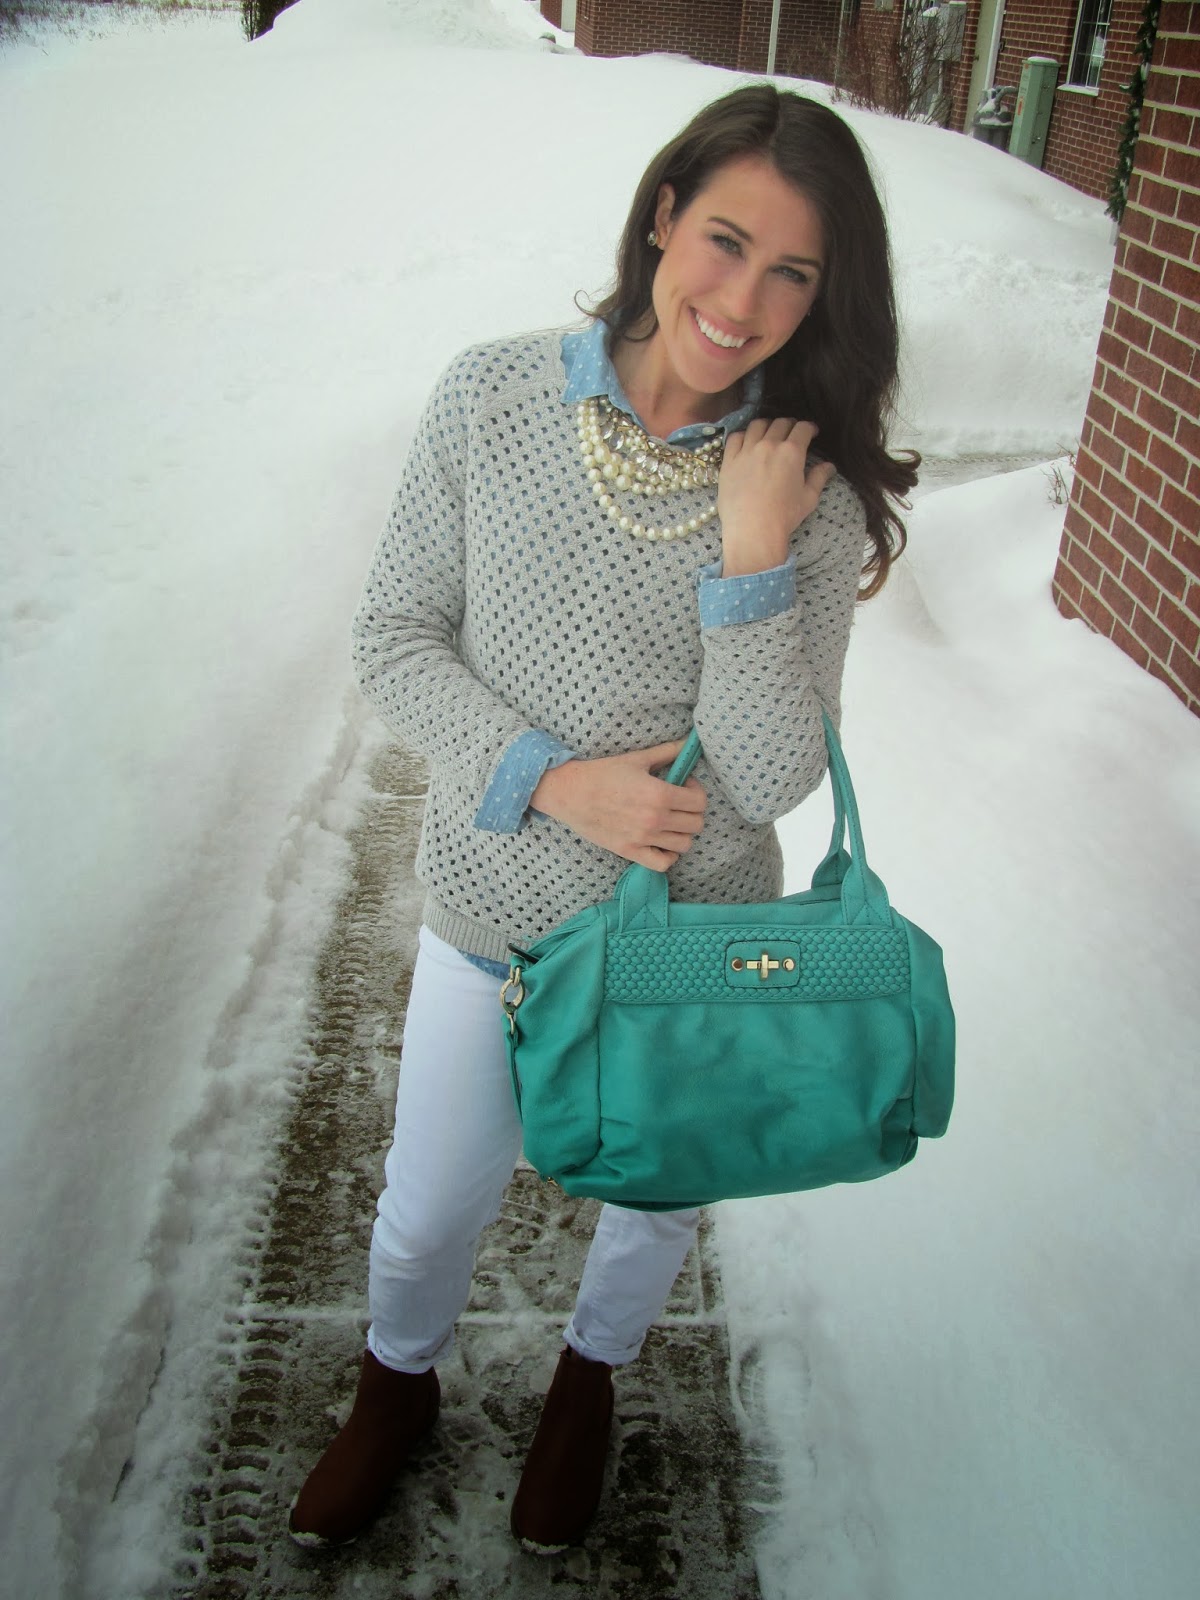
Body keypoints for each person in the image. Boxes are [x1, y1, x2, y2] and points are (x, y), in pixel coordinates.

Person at [288, 82, 917, 1556]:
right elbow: (393, 638)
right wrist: (554, 779)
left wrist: (752, 552)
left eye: (793, 273)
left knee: (652, 1205)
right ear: (662, 217)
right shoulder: (492, 397)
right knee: (429, 1205)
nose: (743, 302)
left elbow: (767, 777)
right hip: (494, 917)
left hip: (689, 942)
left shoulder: (806, 493)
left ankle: (590, 1382)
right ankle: (395, 1387)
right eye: (725, 241)